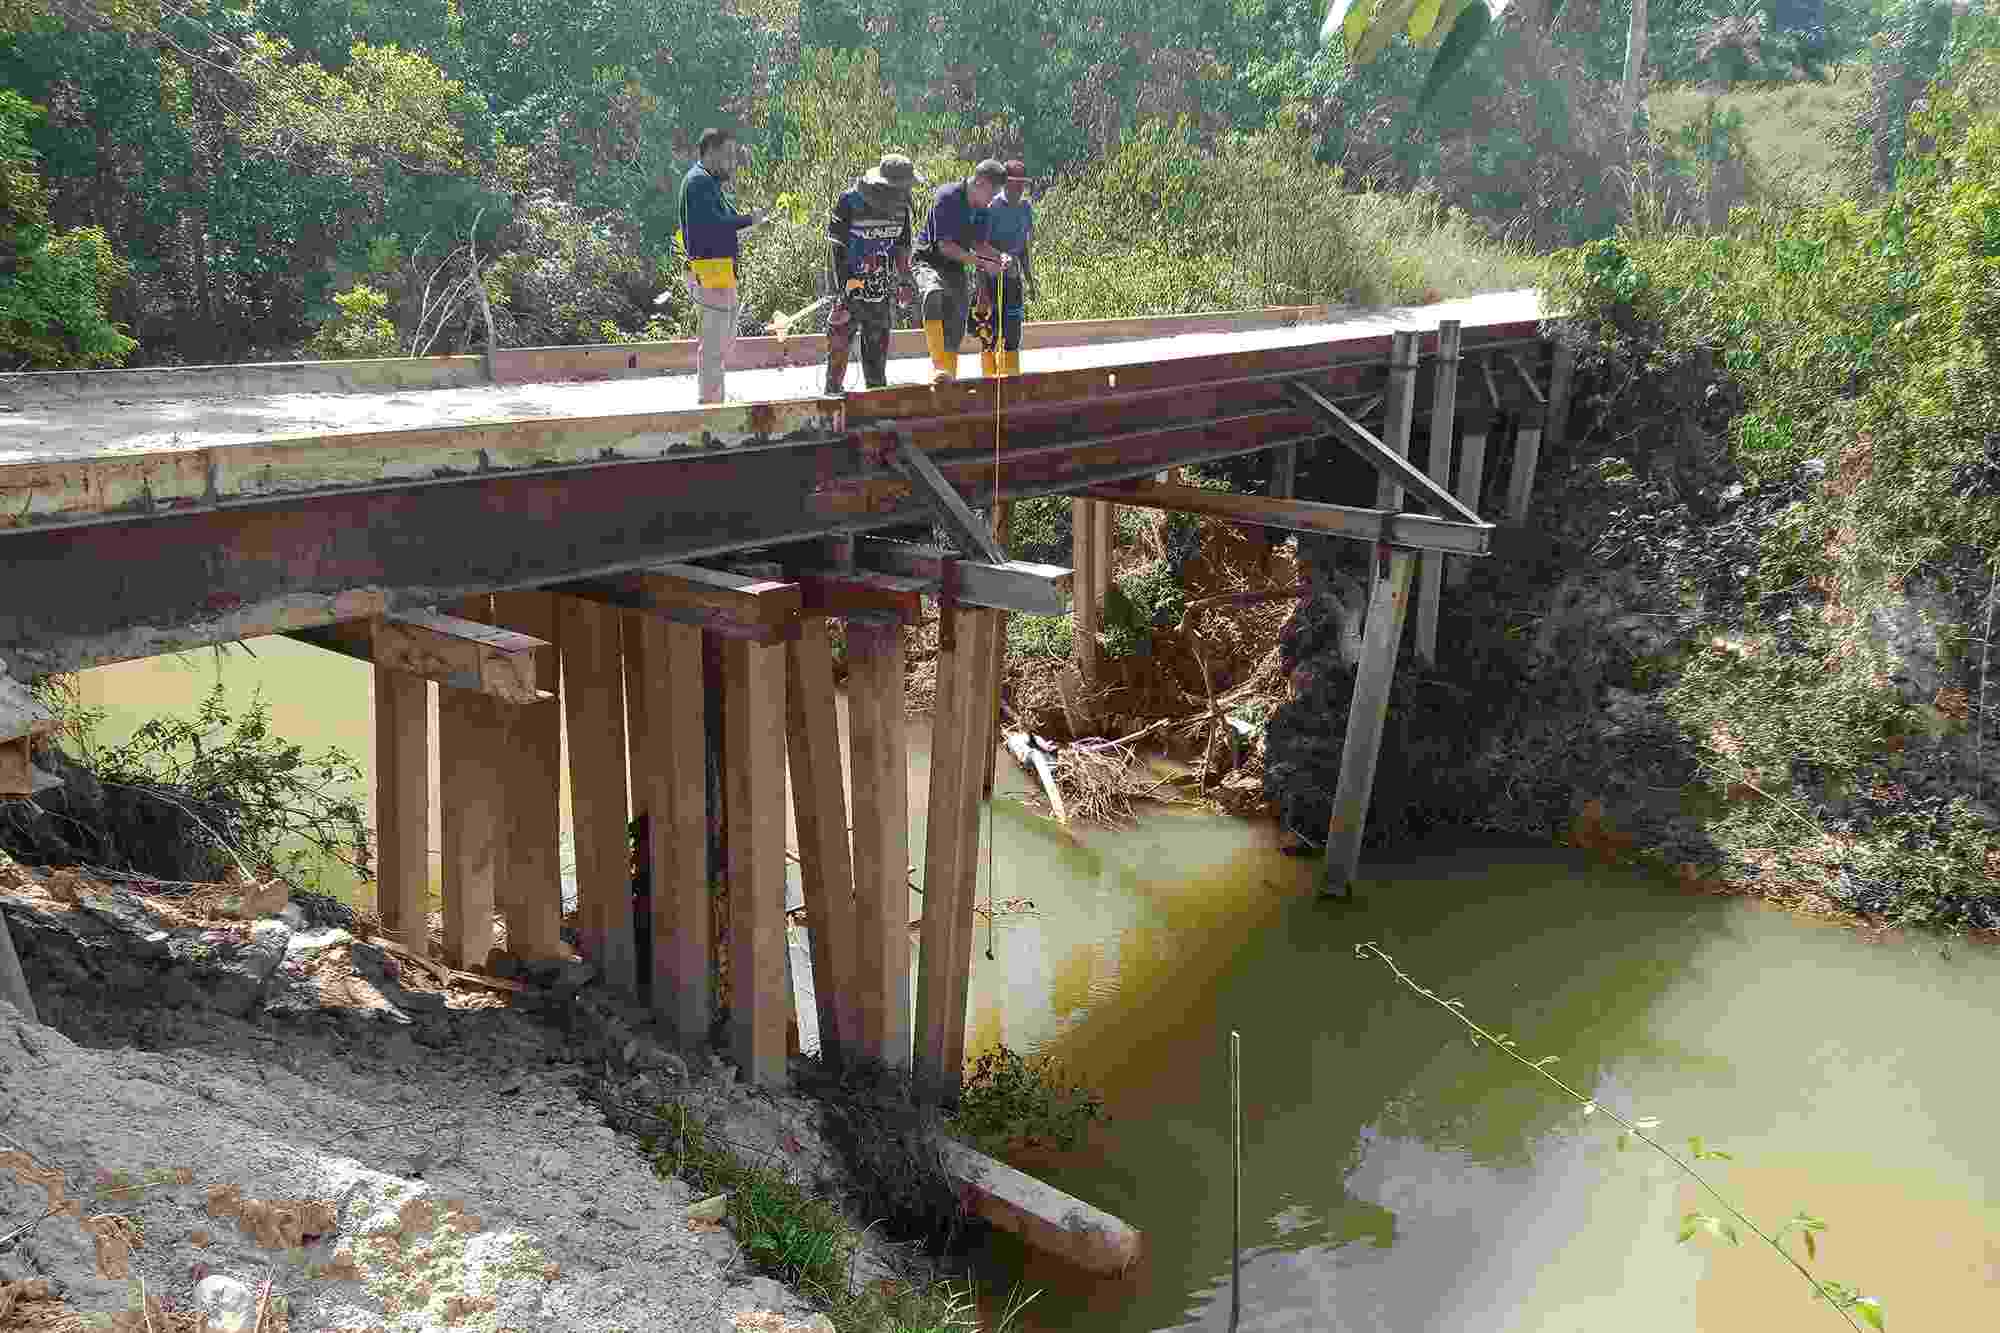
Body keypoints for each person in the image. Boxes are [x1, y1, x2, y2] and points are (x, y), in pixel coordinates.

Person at [679, 127, 771, 404]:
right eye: (728, 155)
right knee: (714, 344)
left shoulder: (708, 182)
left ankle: (713, 397)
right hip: (710, 272)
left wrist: (754, 220)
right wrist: (749, 221)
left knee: (723, 339)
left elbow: (728, 217)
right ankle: (710, 405)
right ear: (710, 153)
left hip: (719, 272)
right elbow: (716, 225)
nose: (733, 162)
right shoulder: (698, 182)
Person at [824, 153, 925, 396]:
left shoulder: (902, 208)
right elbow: (835, 250)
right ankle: (831, 402)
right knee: (838, 349)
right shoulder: (849, 202)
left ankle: (876, 404)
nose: (904, 193)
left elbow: (901, 248)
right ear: (885, 185)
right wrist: (842, 295)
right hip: (848, 287)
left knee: (877, 358)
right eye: (901, 188)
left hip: (879, 290)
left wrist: (904, 279)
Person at [911, 158, 1012, 385]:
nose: (991, 201)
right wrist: (983, 263)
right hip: (928, 260)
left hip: (955, 266)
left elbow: (978, 244)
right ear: (979, 182)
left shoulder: (982, 209)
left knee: (957, 321)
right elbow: (945, 246)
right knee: (933, 293)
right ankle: (938, 367)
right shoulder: (947, 197)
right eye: (991, 193)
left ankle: (949, 380)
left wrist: (999, 256)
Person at [972, 159, 1036, 378]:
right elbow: (979, 249)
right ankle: (990, 381)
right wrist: (982, 291)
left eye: (1021, 186)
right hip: (990, 279)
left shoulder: (1026, 209)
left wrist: (1030, 279)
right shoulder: (991, 208)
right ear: (1003, 184)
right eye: (1013, 185)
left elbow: (1024, 247)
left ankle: (1012, 378)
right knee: (989, 334)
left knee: (1013, 332)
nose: (1018, 190)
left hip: (1013, 279)